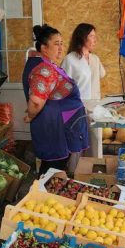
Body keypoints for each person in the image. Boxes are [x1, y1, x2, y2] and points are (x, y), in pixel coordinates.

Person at [23, 24, 89, 175]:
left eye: (61, 44)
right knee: (52, 169)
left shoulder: (47, 64)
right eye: (56, 44)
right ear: (44, 48)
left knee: (54, 168)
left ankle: (46, 188)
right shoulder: (43, 69)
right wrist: (30, 115)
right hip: (55, 127)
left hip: (59, 124)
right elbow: (36, 101)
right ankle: (41, 189)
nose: (61, 48)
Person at [61, 23, 106, 160]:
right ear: (82, 37)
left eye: (95, 36)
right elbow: (63, 84)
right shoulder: (70, 59)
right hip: (77, 106)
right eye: (91, 36)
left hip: (95, 106)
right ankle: (75, 171)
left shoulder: (95, 58)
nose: (95, 40)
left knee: (96, 141)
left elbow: (102, 74)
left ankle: (95, 169)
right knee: (77, 143)